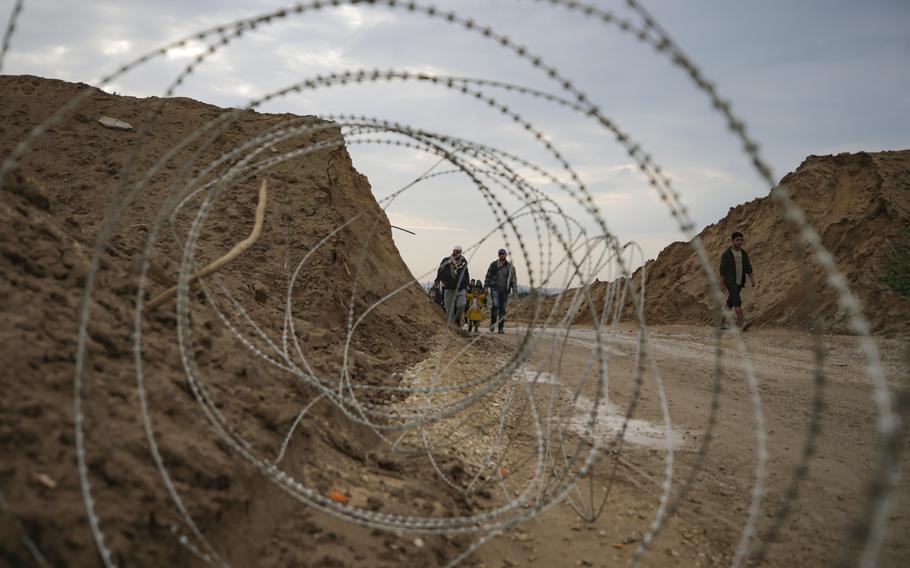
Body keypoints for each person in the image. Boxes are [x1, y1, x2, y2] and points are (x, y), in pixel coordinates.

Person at [719, 231, 756, 330]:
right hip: (730, 282)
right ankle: (742, 321)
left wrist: (752, 278)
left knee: (730, 303)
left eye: (741, 240)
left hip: (740, 281)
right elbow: (722, 269)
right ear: (732, 241)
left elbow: (748, 266)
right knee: (737, 300)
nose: (739, 242)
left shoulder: (743, 253)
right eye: (737, 240)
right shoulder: (726, 254)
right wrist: (722, 283)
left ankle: (721, 323)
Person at [484, 248, 518, 333]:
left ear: (506, 255)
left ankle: (500, 328)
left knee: (503, 309)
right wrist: (485, 287)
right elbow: (488, 275)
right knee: (495, 306)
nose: (501, 255)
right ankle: (492, 323)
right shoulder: (494, 265)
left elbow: (514, 280)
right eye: (500, 254)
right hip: (494, 288)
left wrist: (515, 291)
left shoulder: (510, 267)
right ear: (498, 255)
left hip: (504, 290)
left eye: (503, 254)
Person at [436, 245, 470, 327]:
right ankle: (451, 328)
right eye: (456, 251)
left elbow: (466, 273)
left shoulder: (464, 261)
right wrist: (438, 280)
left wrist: (467, 284)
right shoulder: (446, 260)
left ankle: (456, 320)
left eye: (459, 251)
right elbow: (440, 270)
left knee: (461, 305)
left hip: (461, 288)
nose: (458, 253)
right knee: (449, 311)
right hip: (449, 287)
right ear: (453, 251)